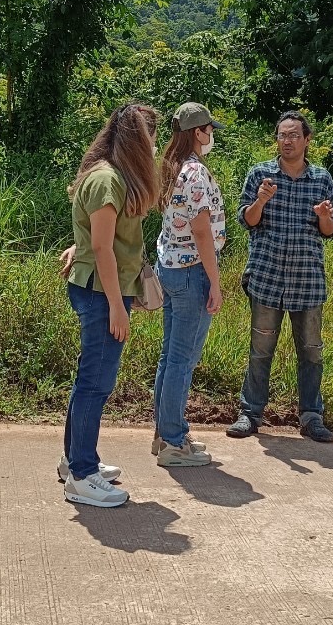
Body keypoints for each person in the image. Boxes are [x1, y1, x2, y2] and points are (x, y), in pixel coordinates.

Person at [60, 103, 160, 507]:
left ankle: (76, 461)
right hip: (102, 294)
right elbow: (102, 247)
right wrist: (118, 306)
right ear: (139, 141)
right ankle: (82, 475)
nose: (155, 148)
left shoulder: (109, 175)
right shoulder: (108, 180)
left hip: (101, 290)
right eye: (152, 139)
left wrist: (80, 248)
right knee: (95, 383)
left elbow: (95, 236)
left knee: (90, 380)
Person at [226, 111, 333, 443]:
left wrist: (324, 216)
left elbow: (331, 230)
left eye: (293, 135)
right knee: (261, 350)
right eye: (282, 135)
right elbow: (246, 221)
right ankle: (250, 414)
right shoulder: (260, 174)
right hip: (267, 277)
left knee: (311, 351)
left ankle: (311, 417)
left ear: (307, 140)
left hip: (307, 280)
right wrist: (261, 200)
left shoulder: (321, 179)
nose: (287, 141)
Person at [152, 102, 227, 467]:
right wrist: (215, 281)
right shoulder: (195, 172)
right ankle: (173, 442)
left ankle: (166, 432)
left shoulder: (171, 167)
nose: (211, 135)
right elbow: (201, 231)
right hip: (190, 271)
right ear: (198, 132)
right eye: (209, 129)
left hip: (169, 267)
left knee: (171, 357)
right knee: (182, 360)